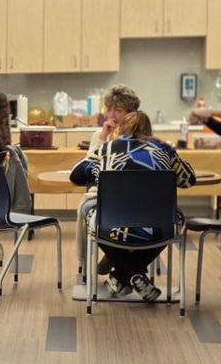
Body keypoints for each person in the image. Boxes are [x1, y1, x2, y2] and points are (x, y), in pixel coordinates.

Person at [70, 110, 195, 301]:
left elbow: (77, 176)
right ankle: (133, 273)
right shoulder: (164, 149)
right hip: (158, 226)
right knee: (175, 218)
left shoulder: (108, 149)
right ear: (149, 129)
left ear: (122, 128)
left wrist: (100, 152)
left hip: (111, 224)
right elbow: (188, 180)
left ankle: (124, 274)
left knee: (92, 217)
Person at [76, 85, 142, 276]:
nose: (112, 115)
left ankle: (118, 263)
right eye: (109, 109)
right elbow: (88, 168)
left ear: (131, 114)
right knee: (86, 208)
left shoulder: (140, 138)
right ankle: (125, 267)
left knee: (91, 210)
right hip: (108, 198)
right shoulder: (100, 134)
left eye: (118, 110)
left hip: (136, 199)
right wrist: (104, 138)